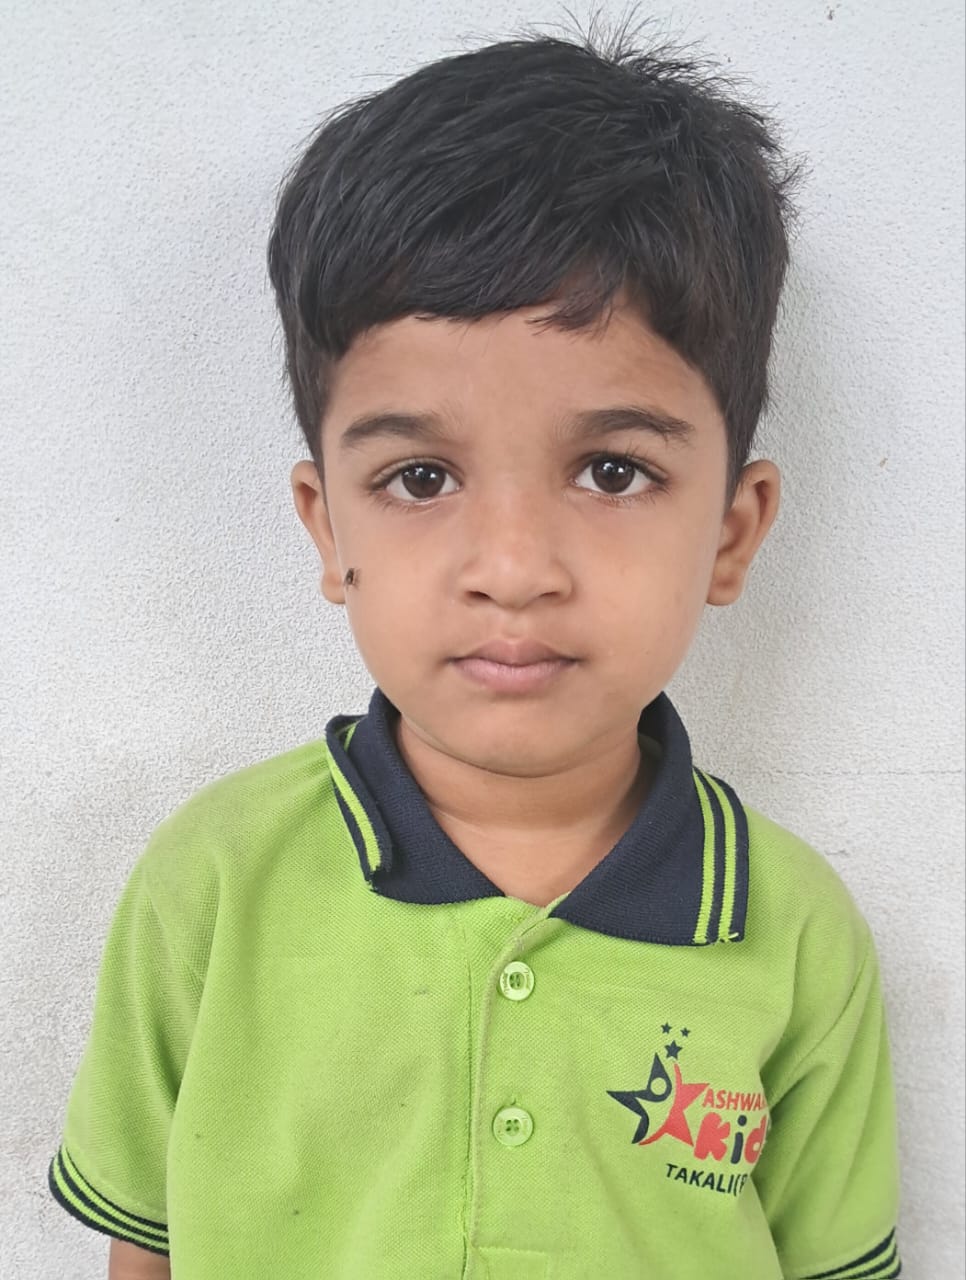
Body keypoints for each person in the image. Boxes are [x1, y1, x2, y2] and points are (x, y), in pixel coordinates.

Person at [47, 19, 902, 1280]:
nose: (513, 565)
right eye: (421, 475)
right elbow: (150, 1247)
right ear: (327, 527)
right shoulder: (212, 884)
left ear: (733, 531)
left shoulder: (792, 933)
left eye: (613, 470)